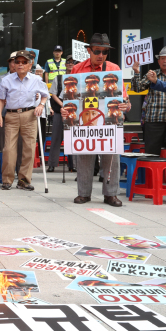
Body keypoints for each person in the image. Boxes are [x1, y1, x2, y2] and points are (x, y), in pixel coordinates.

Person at [60, 33, 131, 207]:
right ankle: (84, 193)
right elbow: (70, 97)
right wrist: (65, 109)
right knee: (84, 156)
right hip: (85, 120)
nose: (101, 55)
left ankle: (111, 194)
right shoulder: (77, 69)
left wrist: (125, 106)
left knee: (111, 157)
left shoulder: (114, 69)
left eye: (105, 52)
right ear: (89, 50)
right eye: (97, 51)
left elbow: (126, 101)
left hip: (110, 120)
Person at [0, 50, 48, 191]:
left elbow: (45, 95)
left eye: (24, 62)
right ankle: (7, 179)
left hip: (30, 115)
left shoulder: (36, 79)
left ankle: (24, 180)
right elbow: (1, 100)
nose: (20, 64)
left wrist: (41, 105)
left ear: (30, 65)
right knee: (9, 149)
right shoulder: (6, 80)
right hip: (12, 115)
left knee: (29, 148)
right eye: (17, 62)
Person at [132, 46, 166, 184]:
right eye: (162, 58)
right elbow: (137, 89)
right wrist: (136, 72)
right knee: (151, 151)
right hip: (154, 118)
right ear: (158, 61)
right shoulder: (152, 73)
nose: (165, 61)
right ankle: (152, 178)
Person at [0, 52, 22, 172]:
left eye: (18, 61)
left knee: (19, 145)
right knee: (1, 144)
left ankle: (19, 171)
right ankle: (0, 171)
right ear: (9, 64)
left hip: (20, 116)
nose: (15, 64)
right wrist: (2, 100)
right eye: (13, 61)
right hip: (3, 115)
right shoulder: (1, 78)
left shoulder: (25, 78)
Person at [47, 55, 76, 172]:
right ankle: (52, 164)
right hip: (60, 111)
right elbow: (53, 94)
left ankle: (73, 165)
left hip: (74, 112)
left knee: (73, 138)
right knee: (56, 138)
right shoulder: (58, 78)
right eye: (68, 62)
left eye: (72, 62)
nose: (70, 64)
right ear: (65, 64)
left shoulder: (79, 77)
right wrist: (62, 105)